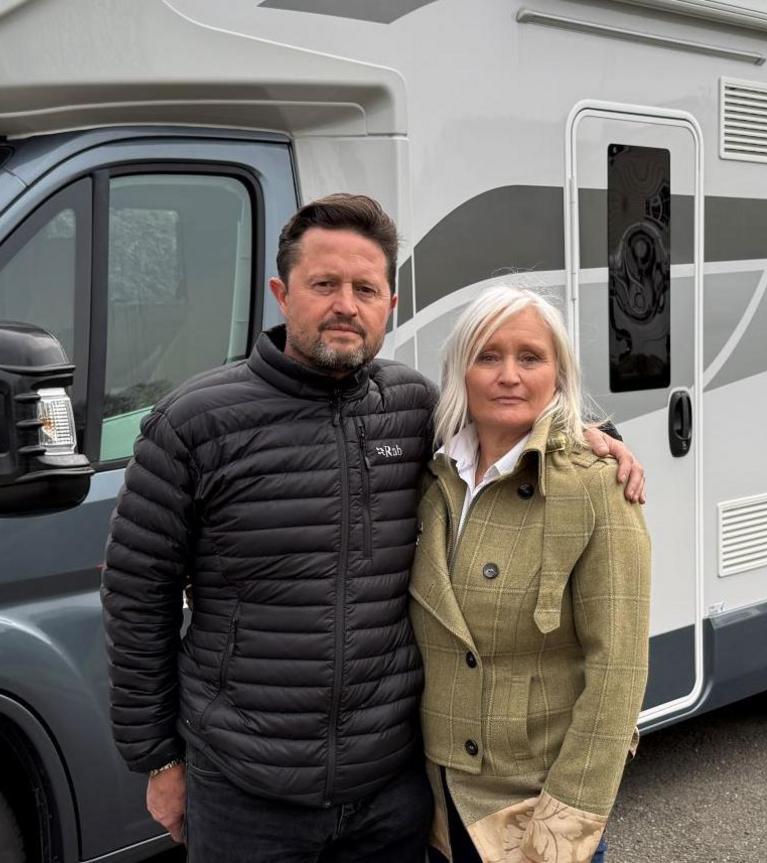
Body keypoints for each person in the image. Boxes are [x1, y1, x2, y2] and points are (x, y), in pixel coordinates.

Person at [100, 194, 645, 862]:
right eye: (323, 284)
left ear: (389, 303)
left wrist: (595, 437)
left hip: (392, 791)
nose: (344, 305)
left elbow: (512, 420)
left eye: (365, 288)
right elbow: (136, 596)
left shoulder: (411, 409)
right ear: (282, 292)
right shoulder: (195, 422)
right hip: (248, 791)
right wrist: (158, 758)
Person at [411, 286, 651, 863]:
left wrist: (559, 836)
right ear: (460, 373)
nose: (508, 375)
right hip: (437, 802)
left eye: (530, 358)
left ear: (558, 375)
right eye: (488, 356)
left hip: (531, 810)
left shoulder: (596, 487)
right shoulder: (430, 477)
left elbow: (617, 675)